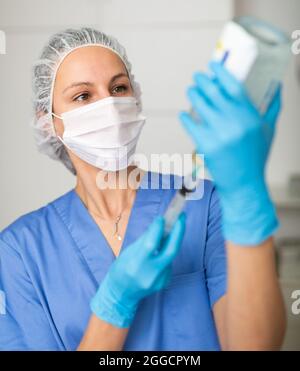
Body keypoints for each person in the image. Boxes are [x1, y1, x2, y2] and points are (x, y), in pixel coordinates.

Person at [0, 27, 286, 351]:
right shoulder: (19, 251)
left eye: (118, 87)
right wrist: (114, 305)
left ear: (135, 96)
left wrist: (247, 194)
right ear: (49, 121)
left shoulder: (207, 205)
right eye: (83, 96)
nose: (108, 105)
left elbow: (255, 346)